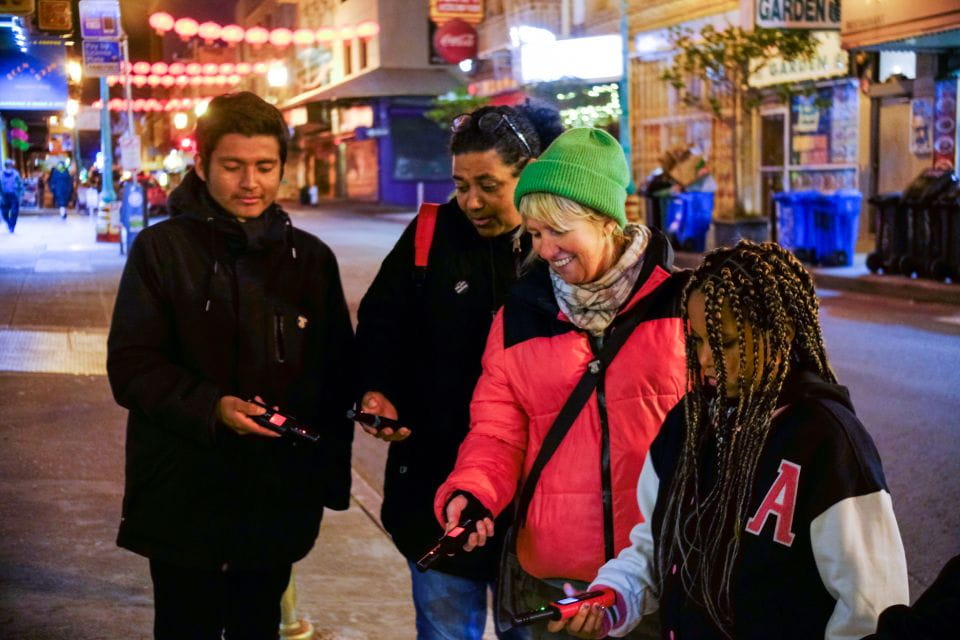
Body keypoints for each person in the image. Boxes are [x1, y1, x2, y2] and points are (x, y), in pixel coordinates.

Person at [552, 241, 909, 639]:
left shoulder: (828, 441)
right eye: (699, 342)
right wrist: (613, 598)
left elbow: (869, 605)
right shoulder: (685, 425)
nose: (705, 361)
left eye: (725, 343)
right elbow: (655, 547)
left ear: (782, 331)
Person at [106, 91, 355, 640]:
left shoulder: (310, 259)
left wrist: (329, 472)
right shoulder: (160, 250)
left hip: (274, 494)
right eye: (233, 167)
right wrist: (211, 407)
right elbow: (131, 364)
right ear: (202, 163)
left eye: (265, 167)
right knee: (184, 625)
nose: (251, 183)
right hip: (181, 489)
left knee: (256, 624)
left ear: (282, 168)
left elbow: (337, 370)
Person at [433, 128, 689, 639]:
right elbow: (497, 433)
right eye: (533, 233)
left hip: (661, 568)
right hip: (553, 578)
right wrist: (475, 491)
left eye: (557, 231)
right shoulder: (519, 317)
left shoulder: (683, 305)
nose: (544, 249)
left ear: (605, 221)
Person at [353, 102, 563, 640]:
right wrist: (378, 392)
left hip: (539, 501)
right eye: (460, 184)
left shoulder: (562, 247)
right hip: (438, 490)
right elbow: (382, 325)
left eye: (489, 185)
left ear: (531, 171)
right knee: (446, 629)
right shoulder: (430, 235)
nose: (471, 201)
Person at [1, 158, 23, 233]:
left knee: (14, 212)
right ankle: (9, 223)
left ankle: (12, 226)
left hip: (14, 195)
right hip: (4, 196)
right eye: (8, 165)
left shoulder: (16, 174)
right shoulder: (1, 175)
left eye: (10, 165)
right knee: (4, 212)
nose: (9, 166)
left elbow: (20, 184)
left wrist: (20, 194)